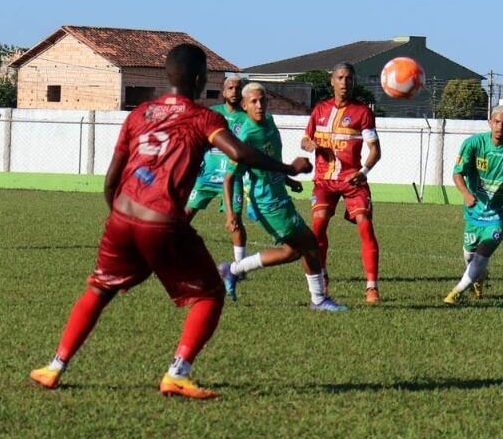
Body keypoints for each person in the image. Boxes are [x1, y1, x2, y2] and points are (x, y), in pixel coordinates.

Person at [29, 45, 315, 400]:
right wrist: (289, 168)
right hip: (161, 222)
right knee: (210, 294)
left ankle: (54, 366)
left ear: (167, 76)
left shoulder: (140, 114)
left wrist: (121, 219)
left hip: (121, 217)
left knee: (100, 289)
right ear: (198, 80)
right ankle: (177, 373)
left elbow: (110, 180)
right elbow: (239, 153)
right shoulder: (203, 118)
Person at [220, 83, 348, 312]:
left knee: (292, 251)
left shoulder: (269, 121)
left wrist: (287, 179)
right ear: (244, 105)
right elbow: (229, 178)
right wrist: (231, 214)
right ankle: (318, 299)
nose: (259, 106)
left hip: (279, 196)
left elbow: (270, 160)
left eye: (263, 100)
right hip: (267, 203)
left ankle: (234, 270)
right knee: (310, 243)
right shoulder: (245, 135)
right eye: (253, 102)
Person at [299, 63, 383, 304]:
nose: (345, 82)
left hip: (352, 180)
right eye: (340, 77)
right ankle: (322, 277)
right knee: (318, 226)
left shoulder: (362, 112)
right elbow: (305, 140)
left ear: (354, 82)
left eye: (349, 78)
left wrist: (364, 171)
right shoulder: (320, 110)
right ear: (332, 81)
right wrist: (311, 146)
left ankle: (371, 287)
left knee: (365, 225)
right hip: (324, 182)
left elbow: (375, 150)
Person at [443, 105, 503, 305]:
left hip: (501, 213)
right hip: (475, 210)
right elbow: (457, 173)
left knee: (483, 253)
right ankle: (478, 279)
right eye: (496, 122)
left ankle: (456, 292)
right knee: (469, 254)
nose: (500, 126)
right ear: (490, 122)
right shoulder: (473, 144)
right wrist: (465, 193)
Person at [184, 75, 249, 262]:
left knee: (235, 221)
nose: (234, 92)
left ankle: (240, 266)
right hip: (206, 176)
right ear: (223, 92)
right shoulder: (212, 113)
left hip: (232, 176)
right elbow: (197, 140)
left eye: (237, 88)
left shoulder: (247, 118)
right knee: (184, 216)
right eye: (230, 88)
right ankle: (167, 258)